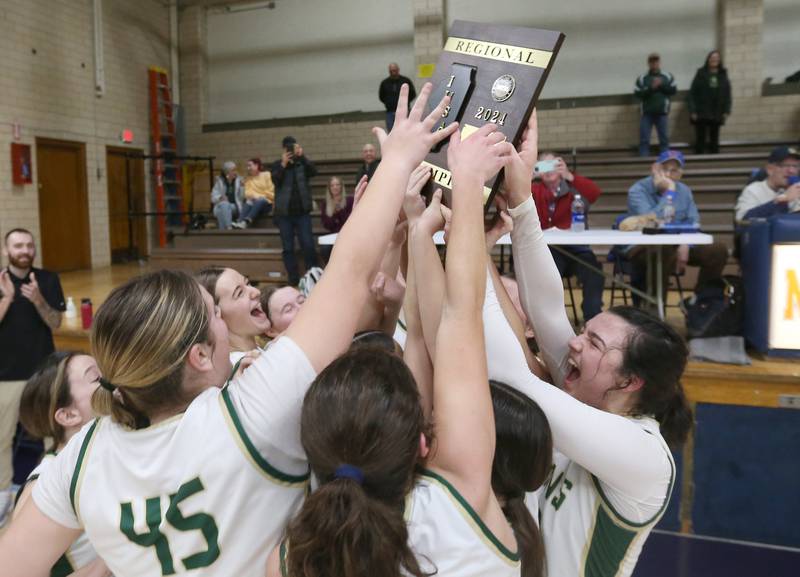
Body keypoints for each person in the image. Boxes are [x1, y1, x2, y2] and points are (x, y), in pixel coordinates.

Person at [0, 82, 459, 576]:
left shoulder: (81, 456)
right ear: (198, 356)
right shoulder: (250, 413)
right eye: (215, 315)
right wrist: (396, 161)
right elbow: (346, 275)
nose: (228, 318)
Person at [271, 120, 522, 577]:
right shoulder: (457, 500)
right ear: (424, 443)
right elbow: (456, 319)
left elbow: (437, 330)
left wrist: (417, 227)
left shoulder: (292, 554)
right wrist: (465, 185)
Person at [494, 110, 693, 577]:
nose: (575, 345)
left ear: (629, 380)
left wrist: (464, 222)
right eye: (585, 331)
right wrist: (522, 203)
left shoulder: (644, 456)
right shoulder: (594, 392)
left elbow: (513, 379)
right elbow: (545, 308)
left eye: (594, 343)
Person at [14, 351, 110, 577]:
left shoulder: (104, 448)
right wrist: (114, 559)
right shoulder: (44, 482)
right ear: (68, 415)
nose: (111, 379)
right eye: (96, 377)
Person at [0, 228, 65, 525]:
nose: (25, 250)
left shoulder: (47, 279)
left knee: (53, 433)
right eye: (18, 246)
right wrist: (7, 300)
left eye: (29, 245)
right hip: (6, 374)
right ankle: (3, 496)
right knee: (2, 439)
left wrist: (38, 299)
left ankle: (52, 492)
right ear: (6, 250)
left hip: (44, 372)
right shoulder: (0, 282)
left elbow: (56, 323)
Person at [627, 150, 729, 298]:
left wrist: (685, 242)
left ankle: (700, 302)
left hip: (677, 243)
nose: (668, 174)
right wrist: (670, 192)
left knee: (718, 250)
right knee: (664, 250)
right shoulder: (637, 190)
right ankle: (654, 311)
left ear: (680, 173)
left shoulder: (685, 191)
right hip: (643, 246)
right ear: (654, 168)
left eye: (674, 170)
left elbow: (694, 221)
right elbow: (651, 221)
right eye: (664, 169)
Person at [532, 152, 604, 321]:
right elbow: (512, 196)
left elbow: (594, 193)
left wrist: (569, 176)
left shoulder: (574, 189)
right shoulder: (534, 190)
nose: (548, 170)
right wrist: (527, 176)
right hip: (548, 251)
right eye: (543, 166)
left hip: (577, 249)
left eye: (553, 165)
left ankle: (592, 318)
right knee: (547, 274)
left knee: (594, 273)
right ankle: (548, 322)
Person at [271, 136, 320, 286]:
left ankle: (313, 276)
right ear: (283, 150)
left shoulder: (302, 163)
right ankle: (293, 279)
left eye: (292, 148)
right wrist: (283, 164)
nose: (290, 151)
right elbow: (275, 180)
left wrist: (303, 156)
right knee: (288, 248)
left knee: (308, 245)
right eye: (288, 149)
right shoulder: (277, 165)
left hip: (302, 213)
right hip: (284, 215)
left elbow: (314, 172)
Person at [196, 267, 271, 364]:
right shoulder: (239, 366)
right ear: (216, 314)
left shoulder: (264, 350)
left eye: (247, 283)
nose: (256, 292)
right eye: (240, 293)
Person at [735, 146, 800, 221]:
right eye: (785, 165)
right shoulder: (753, 190)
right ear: (770, 169)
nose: (791, 171)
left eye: (795, 166)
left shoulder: (796, 188)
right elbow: (743, 223)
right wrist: (782, 200)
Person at [688, 50, 732, 154]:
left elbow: (727, 94)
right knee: (700, 139)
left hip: (717, 111)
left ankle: (714, 162)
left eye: (717, 58)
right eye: (712, 57)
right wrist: (692, 110)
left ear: (719, 60)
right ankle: (698, 162)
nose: (714, 59)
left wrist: (727, 110)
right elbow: (692, 93)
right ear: (708, 59)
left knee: (714, 139)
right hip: (701, 111)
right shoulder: (701, 73)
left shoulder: (723, 74)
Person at [634, 53, 677, 157]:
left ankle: (664, 162)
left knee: (664, 139)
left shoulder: (667, 76)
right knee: (644, 139)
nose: (654, 64)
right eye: (652, 62)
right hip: (647, 113)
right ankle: (643, 162)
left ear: (659, 63)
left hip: (662, 113)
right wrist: (651, 88)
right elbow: (637, 93)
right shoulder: (642, 78)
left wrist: (661, 85)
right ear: (648, 63)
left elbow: (673, 90)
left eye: (656, 61)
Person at [318, 176, 354, 261]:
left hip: (348, 234)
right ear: (329, 188)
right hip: (334, 235)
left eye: (337, 185)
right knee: (325, 249)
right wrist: (334, 214)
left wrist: (339, 211)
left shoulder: (349, 200)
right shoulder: (326, 203)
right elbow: (326, 224)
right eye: (332, 185)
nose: (335, 187)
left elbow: (349, 221)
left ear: (341, 186)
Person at [236, 158, 274, 229]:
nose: (248, 168)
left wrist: (259, 196)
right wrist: (256, 196)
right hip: (253, 204)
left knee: (261, 200)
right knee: (249, 201)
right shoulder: (248, 179)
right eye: (247, 166)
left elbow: (271, 192)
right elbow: (247, 194)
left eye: (250, 166)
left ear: (256, 165)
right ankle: (240, 221)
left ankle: (246, 221)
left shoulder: (267, 175)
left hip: (267, 204)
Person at [379, 63, 417, 132]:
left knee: (406, 131)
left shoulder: (405, 81)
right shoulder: (384, 83)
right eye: (391, 71)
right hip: (390, 112)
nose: (393, 72)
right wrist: (389, 103)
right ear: (389, 71)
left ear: (398, 70)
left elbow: (413, 94)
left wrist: (405, 103)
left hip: (405, 111)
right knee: (391, 132)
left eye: (394, 70)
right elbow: (381, 96)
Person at [211, 161, 246, 230]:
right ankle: (227, 228)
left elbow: (242, 198)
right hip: (221, 206)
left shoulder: (239, 180)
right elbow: (213, 197)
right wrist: (220, 197)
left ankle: (227, 228)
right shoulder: (220, 181)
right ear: (227, 172)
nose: (235, 172)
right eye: (233, 170)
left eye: (235, 170)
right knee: (223, 206)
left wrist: (242, 187)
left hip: (235, 207)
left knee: (223, 207)